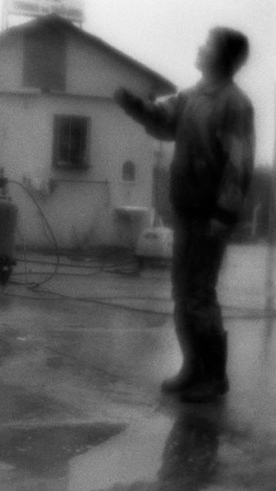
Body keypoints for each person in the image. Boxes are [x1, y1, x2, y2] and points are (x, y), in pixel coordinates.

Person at [114, 27, 254, 403]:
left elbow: (237, 166)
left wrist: (223, 216)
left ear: (222, 56)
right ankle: (192, 368)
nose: (199, 47)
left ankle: (214, 376)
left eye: (207, 44)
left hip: (211, 215)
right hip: (187, 210)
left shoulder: (234, 105)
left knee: (200, 295)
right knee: (182, 292)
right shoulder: (192, 97)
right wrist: (136, 106)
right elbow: (163, 122)